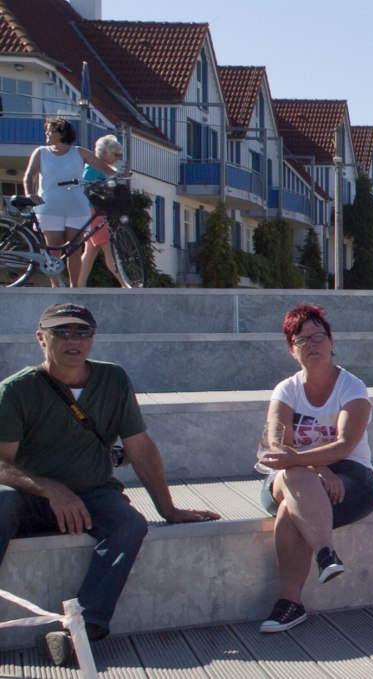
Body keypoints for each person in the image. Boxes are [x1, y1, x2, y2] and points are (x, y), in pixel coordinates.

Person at [0, 303, 219, 661]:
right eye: (62, 332)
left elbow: (140, 446)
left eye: (82, 332)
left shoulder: (113, 379)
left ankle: (82, 630)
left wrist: (168, 508)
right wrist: (49, 488)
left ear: (93, 338)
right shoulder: (16, 390)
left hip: (93, 494)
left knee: (128, 523)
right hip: (32, 499)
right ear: (41, 338)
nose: (74, 340)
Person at [256, 304, 373, 633]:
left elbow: (345, 444)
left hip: (351, 476)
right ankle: (326, 553)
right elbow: (278, 445)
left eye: (318, 337)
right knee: (294, 476)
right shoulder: (286, 390)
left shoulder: (352, 387)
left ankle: (290, 603)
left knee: (290, 510)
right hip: (290, 475)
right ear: (291, 349)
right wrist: (320, 470)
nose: (312, 345)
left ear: (331, 341)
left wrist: (321, 467)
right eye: (302, 340)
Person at [23, 118, 118, 288]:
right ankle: (57, 285)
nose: (46, 134)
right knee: (54, 248)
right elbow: (29, 176)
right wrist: (30, 194)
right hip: (49, 207)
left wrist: (119, 173)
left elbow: (103, 167)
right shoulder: (41, 152)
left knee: (74, 249)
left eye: (50, 131)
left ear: (61, 132)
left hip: (76, 207)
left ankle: (76, 287)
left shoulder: (79, 152)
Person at [71, 135, 131, 289]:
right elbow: (86, 184)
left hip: (92, 211)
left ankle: (78, 286)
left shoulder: (98, 167)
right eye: (115, 154)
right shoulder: (93, 167)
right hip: (94, 212)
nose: (117, 157)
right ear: (104, 152)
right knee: (109, 248)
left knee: (91, 252)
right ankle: (126, 285)